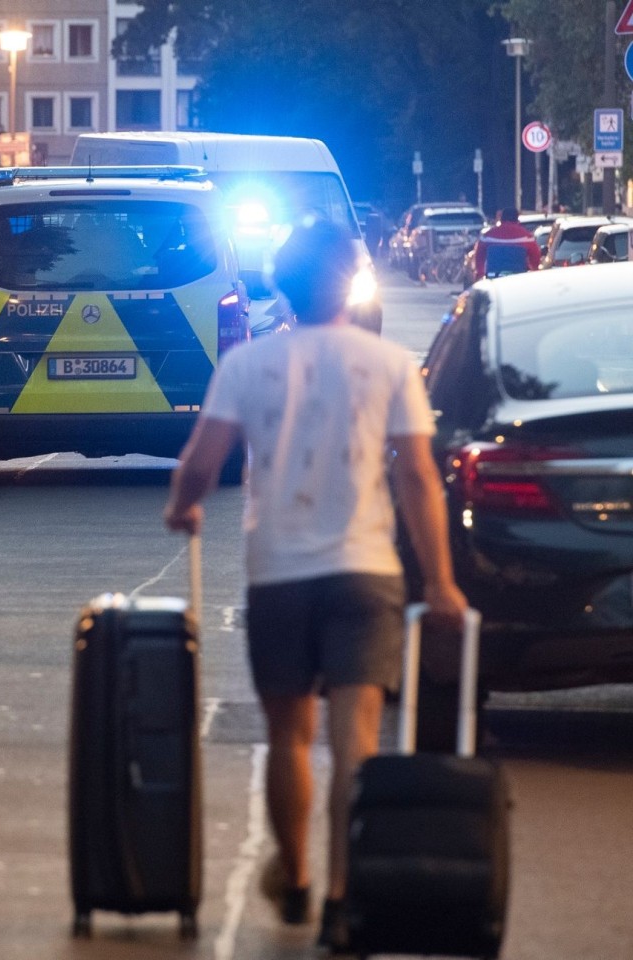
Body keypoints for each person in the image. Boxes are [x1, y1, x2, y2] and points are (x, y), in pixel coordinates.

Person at [162, 218, 467, 951]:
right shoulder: (390, 364)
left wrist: (184, 506)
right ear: (349, 283)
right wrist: (445, 583)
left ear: (282, 285)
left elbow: (201, 461)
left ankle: (294, 877)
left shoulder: (251, 365)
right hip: (367, 572)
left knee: (290, 739)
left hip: (281, 574)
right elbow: (420, 478)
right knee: (356, 742)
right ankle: (341, 899)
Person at [473, 207, 540, 279]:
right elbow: (535, 260)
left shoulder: (487, 237)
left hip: (493, 277)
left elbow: (479, 257)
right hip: (518, 278)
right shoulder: (527, 238)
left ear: (501, 219)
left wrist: (480, 274)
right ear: (517, 220)